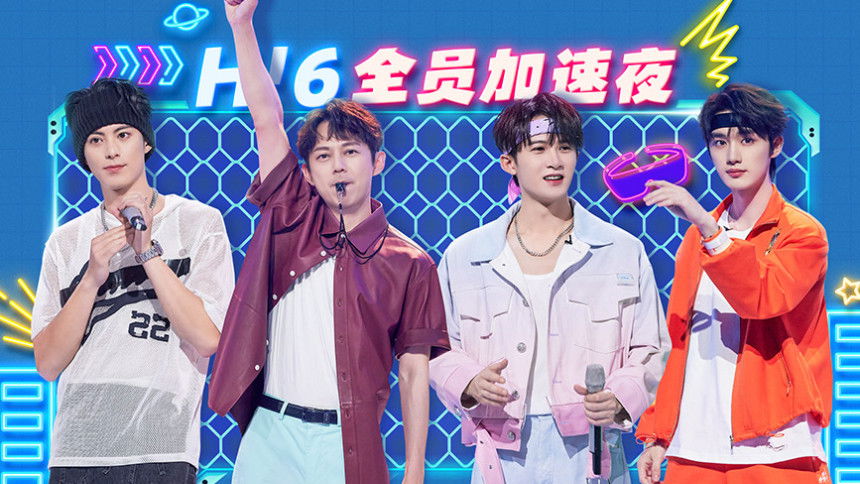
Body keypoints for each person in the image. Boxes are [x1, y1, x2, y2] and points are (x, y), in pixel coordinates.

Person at [207, 1, 450, 483]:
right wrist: (241, 25)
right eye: (323, 155)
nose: (338, 165)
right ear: (307, 172)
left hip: (345, 442)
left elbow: (413, 372)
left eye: (350, 152)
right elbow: (266, 118)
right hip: (270, 434)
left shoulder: (412, 263)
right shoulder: (290, 215)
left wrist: (415, 471)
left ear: (377, 162)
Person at [429, 92, 669, 483]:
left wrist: (620, 397)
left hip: (592, 450)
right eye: (539, 148)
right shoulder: (466, 256)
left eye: (565, 147)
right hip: (502, 452)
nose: (555, 161)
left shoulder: (621, 250)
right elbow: (437, 346)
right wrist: (468, 382)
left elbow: (652, 348)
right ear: (509, 162)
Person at [31, 77, 235, 483]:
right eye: (96, 140)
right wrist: (91, 279)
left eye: (123, 134)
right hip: (79, 452)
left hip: (162, 447)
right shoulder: (66, 242)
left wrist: (148, 252)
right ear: (84, 155)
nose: (111, 150)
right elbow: (48, 363)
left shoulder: (199, 223)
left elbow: (208, 338)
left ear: (145, 143)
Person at [636, 83, 832, 484]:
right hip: (693, 446)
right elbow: (678, 341)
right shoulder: (697, 239)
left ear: (775, 146)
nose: (732, 155)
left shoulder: (802, 233)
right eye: (720, 142)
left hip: (775, 444)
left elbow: (762, 298)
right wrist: (658, 432)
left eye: (747, 139)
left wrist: (709, 228)